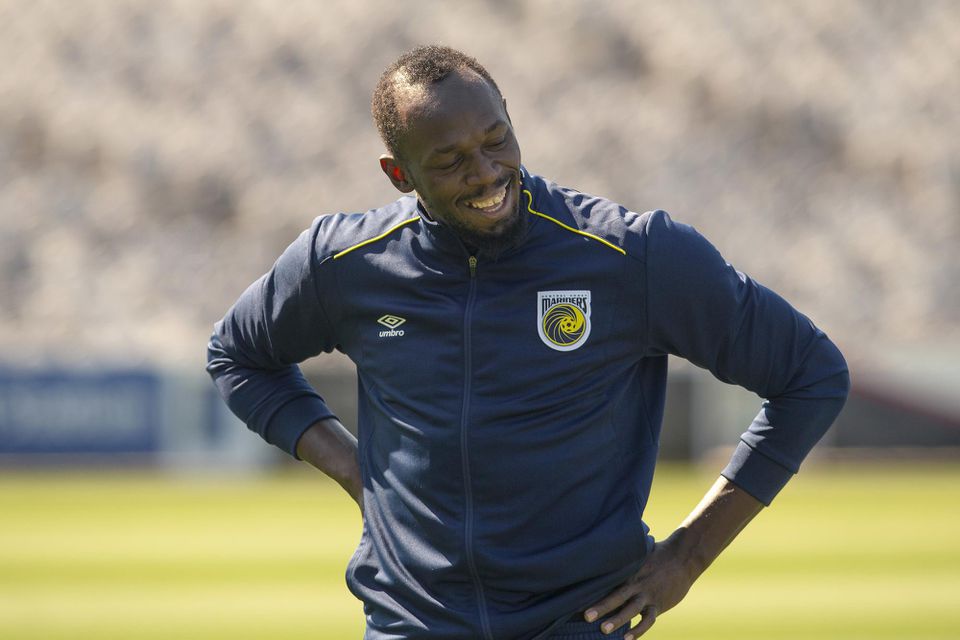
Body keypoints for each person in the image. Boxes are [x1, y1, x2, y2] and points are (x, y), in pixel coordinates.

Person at [207, 45, 849, 640]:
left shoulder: (632, 254)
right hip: (412, 622)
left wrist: (687, 556)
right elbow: (237, 356)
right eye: (450, 160)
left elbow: (811, 374)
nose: (486, 173)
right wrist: (356, 471)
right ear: (399, 174)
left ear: (511, 119)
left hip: (581, 620)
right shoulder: (342, 263)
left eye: (496, 140)